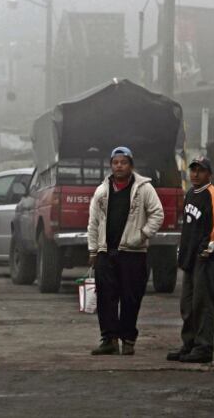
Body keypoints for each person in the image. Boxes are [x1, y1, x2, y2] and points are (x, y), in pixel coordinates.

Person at [87, 146, 164, 355]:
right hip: (106, 252)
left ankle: (128, 340)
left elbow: (157, 214)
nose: (119, 166)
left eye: (123, 162)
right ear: (111, 165)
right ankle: (109, 340)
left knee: (131, 298)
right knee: (106, 297)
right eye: (115, 162)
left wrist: (142, 235)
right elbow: (93, 223)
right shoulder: (102, 190)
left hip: (133, 254)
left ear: (131, 164)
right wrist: (93, 250)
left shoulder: (144, 188)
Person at [168, 155, 214, 364]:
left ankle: (204, 347)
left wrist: (206, 250)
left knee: (203, 303)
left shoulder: (212, 194)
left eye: (200, 170)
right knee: (188, 304)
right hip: (191, 259)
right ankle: (189, 344)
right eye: (193, 170)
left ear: (209, 173)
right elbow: (188, 227)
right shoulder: (191, 193)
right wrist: (183, 254)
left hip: (207, 259)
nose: (195, 174)